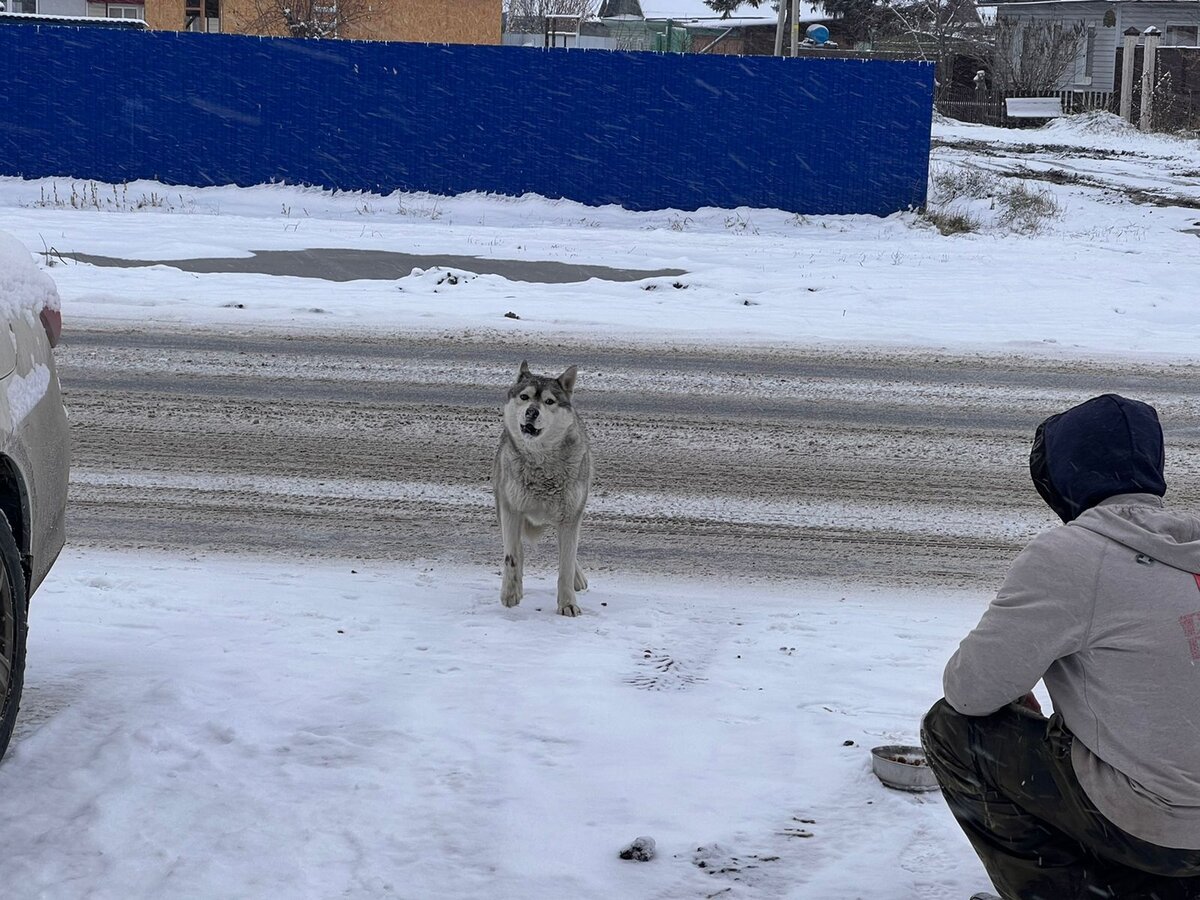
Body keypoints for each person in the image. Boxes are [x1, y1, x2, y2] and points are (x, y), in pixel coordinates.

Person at [921, 394, 1200, 900]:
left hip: (1165, 831)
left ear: (1063, 475)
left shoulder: (1071, 556)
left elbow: (969, 692)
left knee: (952, 730)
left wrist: (1010, 694)